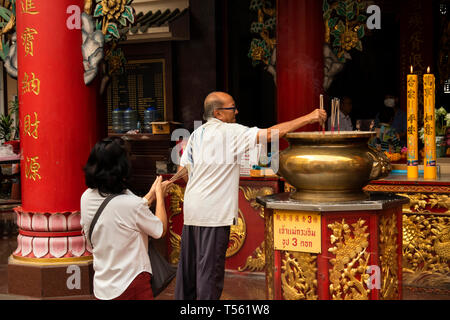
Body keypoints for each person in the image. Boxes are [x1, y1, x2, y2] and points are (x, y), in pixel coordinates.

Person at [174, 91, 327, 300]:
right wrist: (309, 117)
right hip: (213, 215)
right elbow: (272, 133)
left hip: (192, 212)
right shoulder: (228, 132)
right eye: (232, 108)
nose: (236, 111)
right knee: (209, 275)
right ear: (218, 113)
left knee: (189, 275)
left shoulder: (195, 135)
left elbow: (183, 172)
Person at [80, 137, 172, 300]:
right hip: (132, 284)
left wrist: (149, 196)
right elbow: (160, 229)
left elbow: (121, 214)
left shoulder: (86, 197)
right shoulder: (131, 204)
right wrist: (159, 195)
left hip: (103, 285)